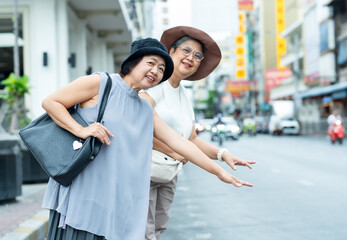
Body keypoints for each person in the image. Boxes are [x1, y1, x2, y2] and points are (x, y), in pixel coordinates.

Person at [40, 38, 251, 240]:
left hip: (114, 196)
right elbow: (52, 102)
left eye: (161, 69)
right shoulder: (101, 83)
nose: (155, 71)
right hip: (83, 189)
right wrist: (80, 130)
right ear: (133, 63)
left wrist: (220, 171)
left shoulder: (144, 107)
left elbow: (180, 142)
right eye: (151, 63)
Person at [139, 26, 256, 240]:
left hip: (168, 174)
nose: (190, 58)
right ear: (171, 52)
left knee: (157, 229)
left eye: (197, 55)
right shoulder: (156, 84)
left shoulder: (183, 94)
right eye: (186, 50)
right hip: (143, 170)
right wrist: (173, 151)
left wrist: (223, 154)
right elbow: (138, 126)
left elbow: (191, 139)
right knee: (142, 232)